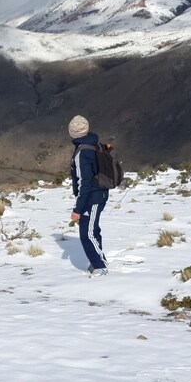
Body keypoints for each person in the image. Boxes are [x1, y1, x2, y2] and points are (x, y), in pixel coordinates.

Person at [68, 115, 109, 276]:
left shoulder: (82, 152)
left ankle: (100, 266)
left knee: (87, 233)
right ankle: (97, 261)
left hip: (92, 197)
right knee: (92, 230)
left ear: (73, 132)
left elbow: (84, 182)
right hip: (99, 194)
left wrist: (77, 209)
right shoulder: (94, 145)